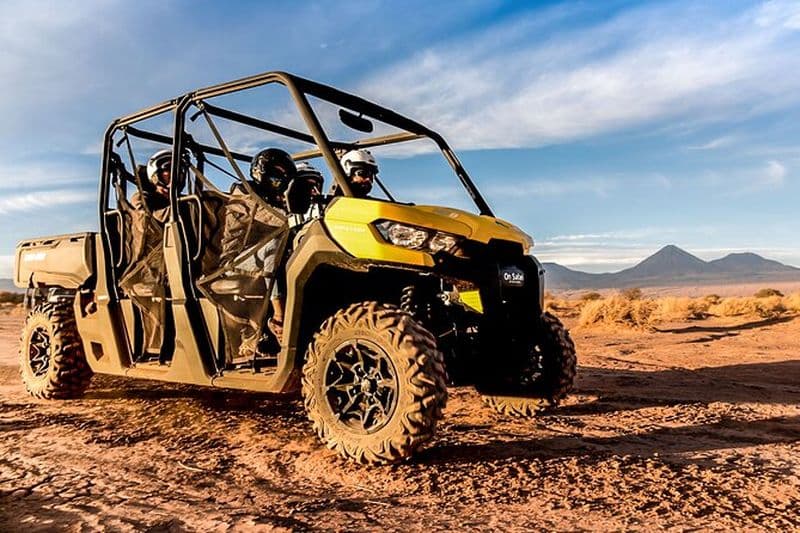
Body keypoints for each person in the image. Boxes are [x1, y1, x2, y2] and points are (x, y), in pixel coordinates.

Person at [216, 148, 295, 358]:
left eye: (283, 176)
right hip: (235, 259)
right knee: (273, 247)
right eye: (275, 173)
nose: (279, 179)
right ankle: (279, 319)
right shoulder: (243, 192)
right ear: (261, 171)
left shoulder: (278, 198)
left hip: (258, 258)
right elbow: (271, 217)